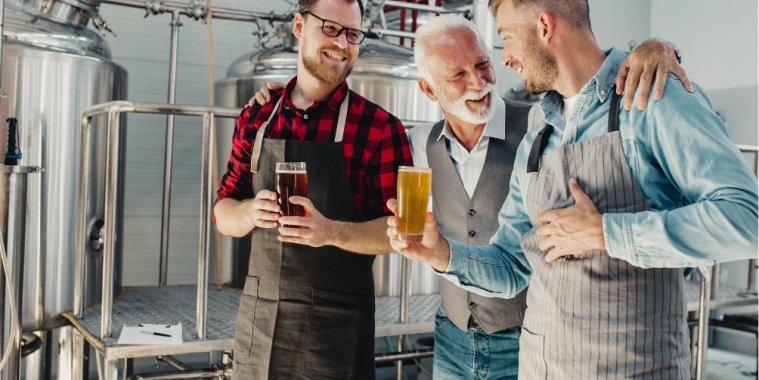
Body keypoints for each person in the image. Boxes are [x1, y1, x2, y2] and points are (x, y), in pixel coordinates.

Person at [252, 17, 689, 380]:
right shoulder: (417, 144)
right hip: (453, 338)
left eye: (482, 65)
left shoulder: (542, 127)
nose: (477, 82)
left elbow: (592, 85)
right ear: (427, 90)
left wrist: (658, 45)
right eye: (457, 75)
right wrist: (280, 98)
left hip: (527, 338)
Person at [385, 0, 758, 378]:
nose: (506, 58)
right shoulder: (537, 134)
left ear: (544, 27)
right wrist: (442, 253)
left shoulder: (651, 96)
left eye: (507, 38)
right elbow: (514, 265)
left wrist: (607, 233)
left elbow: (748, 220)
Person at [212, 0, 412, 377]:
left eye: (352, 34)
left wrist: (331, 231)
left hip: (336, 334)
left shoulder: (380, 128)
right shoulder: (257, 117)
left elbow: (398, 232)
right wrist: (248, 211)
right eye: (331, 28)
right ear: (299, 25)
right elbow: (222, 213)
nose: (342, 43)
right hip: (261, 323)